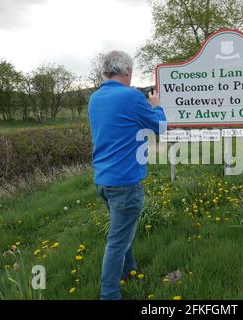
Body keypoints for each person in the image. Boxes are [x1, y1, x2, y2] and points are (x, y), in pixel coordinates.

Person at [88, 50, 166, 300]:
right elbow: (159, 127)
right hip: (125, 181)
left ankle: (129, 270)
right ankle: (109, 294)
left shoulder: (95, 98)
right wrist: (157, 106)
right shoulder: (131, 96)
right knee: (117, 241)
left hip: (102, 179)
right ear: (126, 72)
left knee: (123, 229)